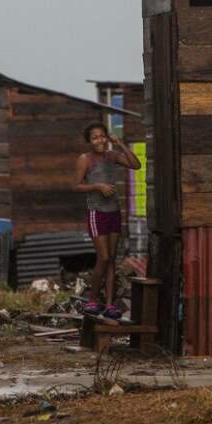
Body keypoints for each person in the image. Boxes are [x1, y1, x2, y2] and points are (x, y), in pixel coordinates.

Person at [73, 122, 141, 319]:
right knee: (103, 257)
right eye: (95, 138)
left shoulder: (112, 156)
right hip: (97, 213)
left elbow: (136, 165)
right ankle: (92, 301)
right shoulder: (85, 159)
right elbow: (75, 186)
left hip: (113, 211)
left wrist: (120, 144)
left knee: (111, 259)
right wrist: (98, 186)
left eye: (102, 136)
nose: (100, 140)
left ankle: (110, 305)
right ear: (89, 142)